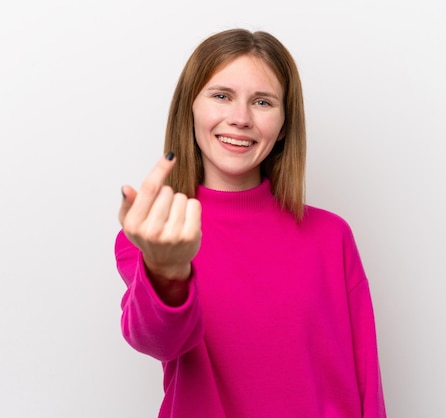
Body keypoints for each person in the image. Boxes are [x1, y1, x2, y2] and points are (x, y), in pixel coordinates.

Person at [115, 28, 386, 418]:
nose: (240, 119)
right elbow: (158, 341)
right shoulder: (158, 234)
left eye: (262, 101)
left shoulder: (331, 236)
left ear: (283, 127)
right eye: (221, 95)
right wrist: (165, 269)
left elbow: (366, 385)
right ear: (188, 110)